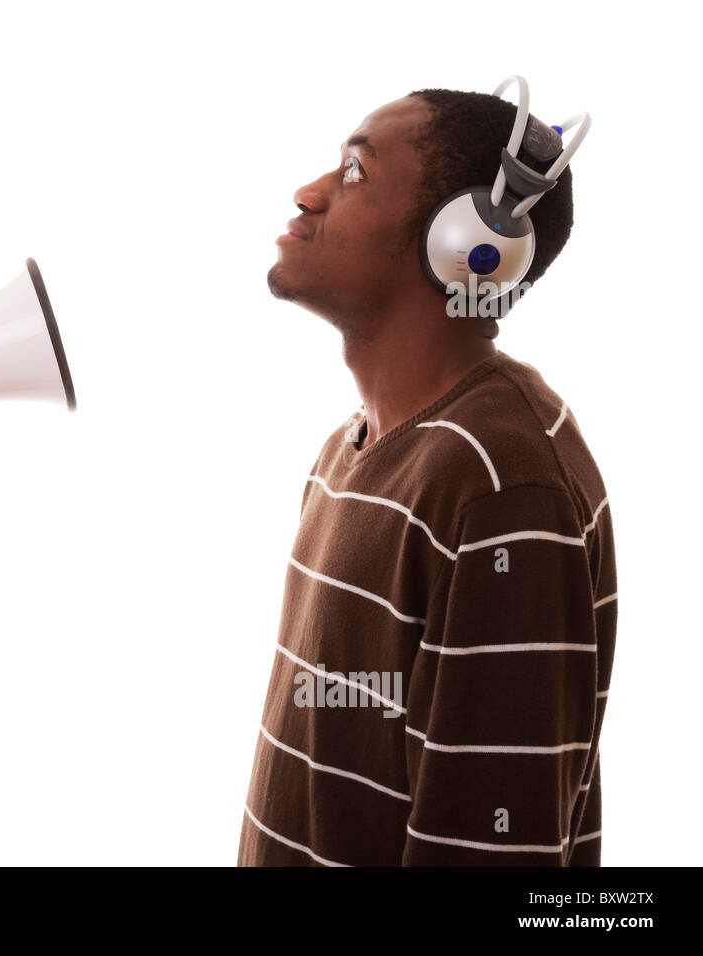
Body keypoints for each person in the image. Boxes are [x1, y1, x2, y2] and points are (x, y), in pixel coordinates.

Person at [239, 88, 615, 865]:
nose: (308, 192)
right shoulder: (353, 449)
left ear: (466, 242)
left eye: (353, 172)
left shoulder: (503, 488)